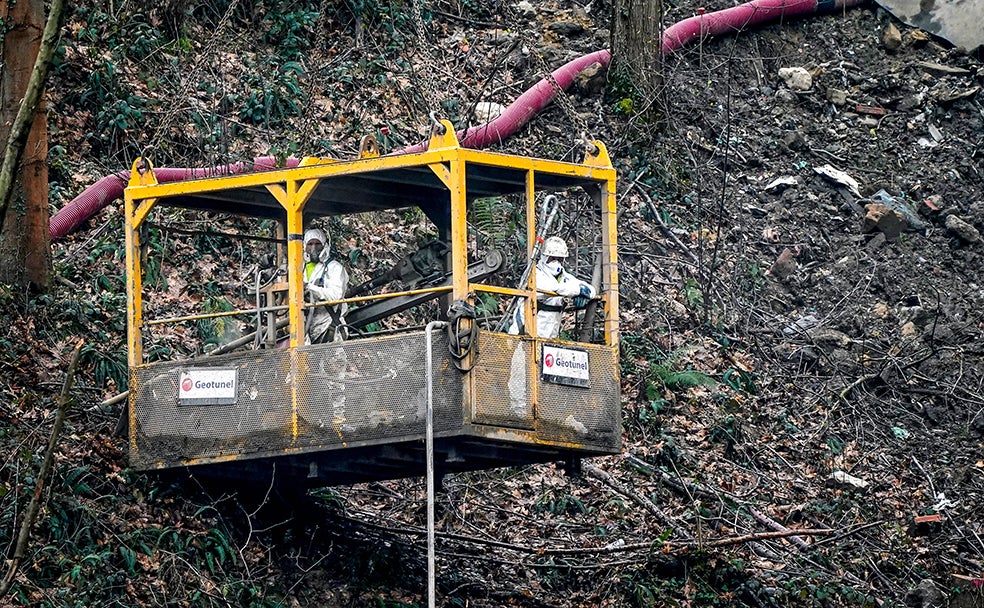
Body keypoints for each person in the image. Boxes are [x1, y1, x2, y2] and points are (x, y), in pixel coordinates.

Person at [508, 236, 595, 339]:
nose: (556, 262)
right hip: (523, 333)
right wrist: (578, 290)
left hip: (550, 336)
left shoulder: (564, 277)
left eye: (559, 259)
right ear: (545, 257)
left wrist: (582, 293)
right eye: (553, 258)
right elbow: (553, 288)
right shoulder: (534, 274)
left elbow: (591, 290)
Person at [302, 227, 349, 344]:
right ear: (304, 246)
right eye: (310, 244)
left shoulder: (334, 268)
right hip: (305, 331)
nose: (313, 248)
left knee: (334, 363)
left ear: (324, 245)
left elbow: (336, 295)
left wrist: (309, 288)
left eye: (317, 244)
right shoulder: (299, 268)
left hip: (330, 327)